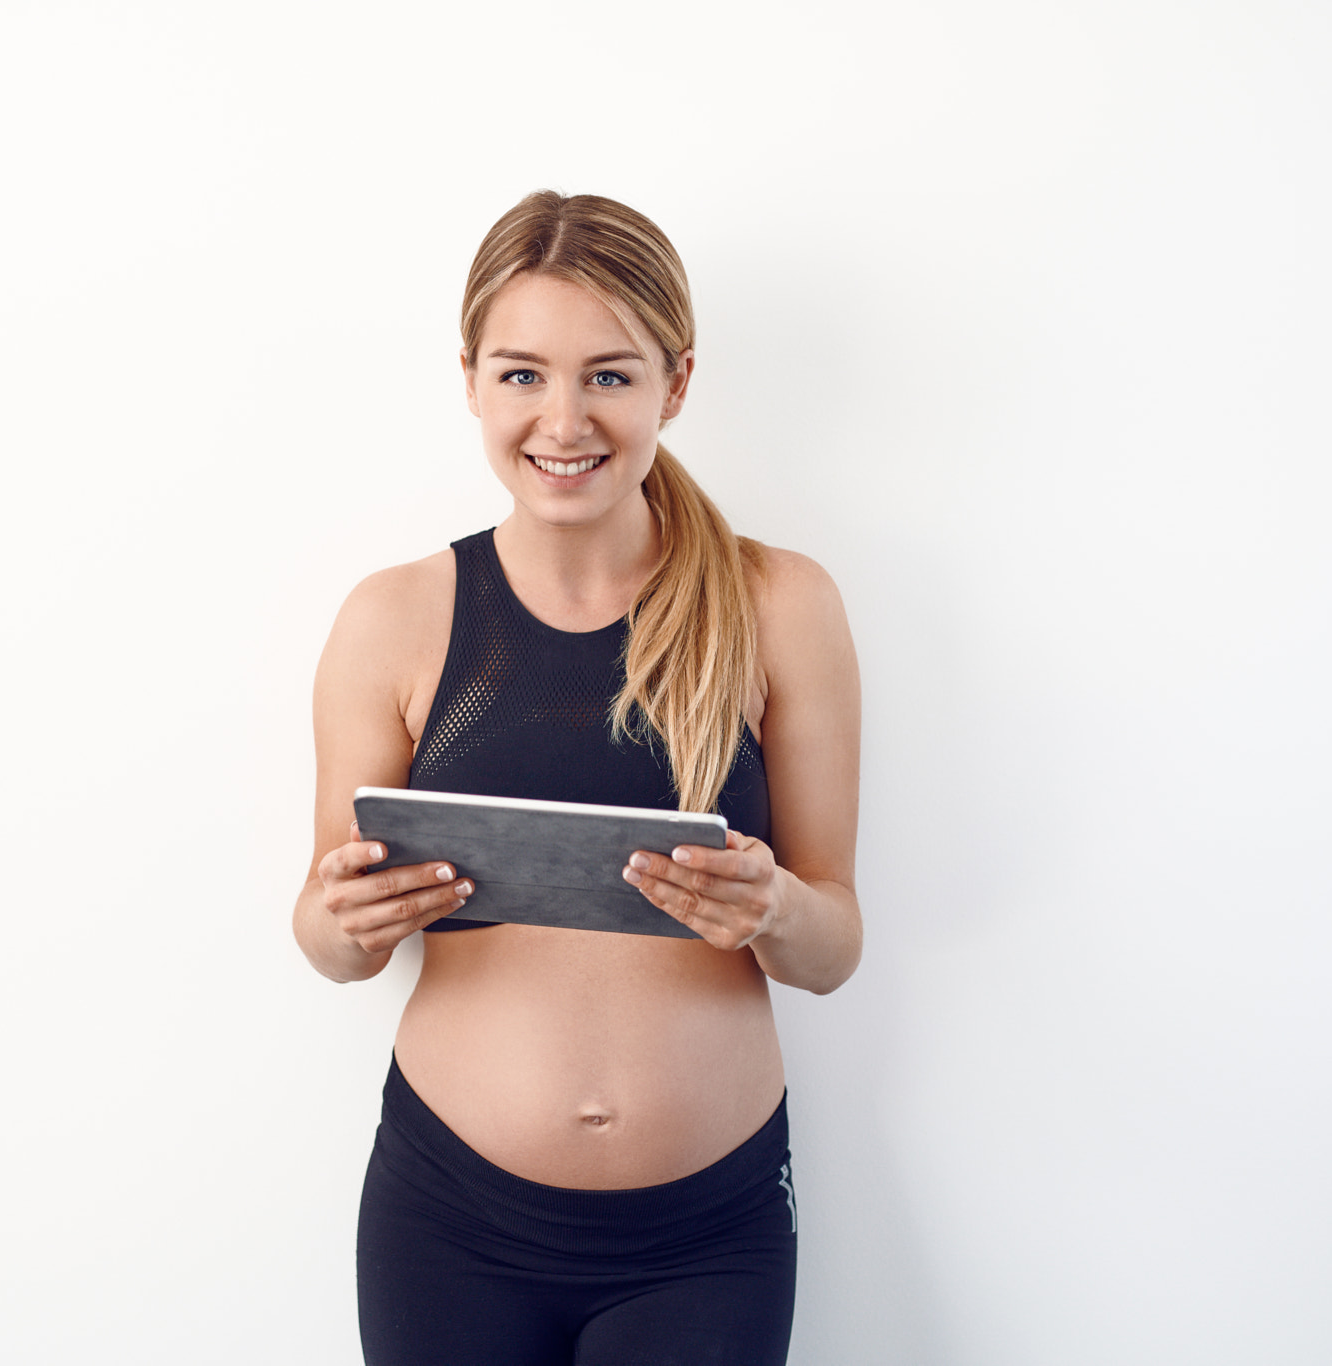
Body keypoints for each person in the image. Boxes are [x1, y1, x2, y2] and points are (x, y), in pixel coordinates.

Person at [291, 190, 863, 1366]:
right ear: (468, 379)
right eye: (520, 375)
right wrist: (344, 921)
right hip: (448, 1221)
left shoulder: (779, 606)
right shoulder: (392, 618)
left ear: (676, 381)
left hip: (706, 1231)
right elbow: (325, 934)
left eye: (608, 374)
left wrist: (774, 908)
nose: (562, 417)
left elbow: (832, 946)